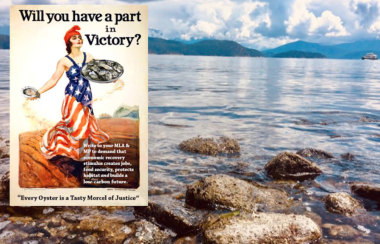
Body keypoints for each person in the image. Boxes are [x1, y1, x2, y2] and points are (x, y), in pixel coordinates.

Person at [28, 25, 112, 161]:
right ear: (69, 42)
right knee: (75, 128)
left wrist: (114, 79)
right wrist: (37, 92)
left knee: (85, 127)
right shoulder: (64, 61)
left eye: (79, 37)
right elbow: (54, 79)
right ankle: (72, 154)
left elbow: (100, 72)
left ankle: (84, 160)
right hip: (72, 99)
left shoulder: (89, 57)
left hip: (86, 97)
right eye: (74, 38)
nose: (78, 39)